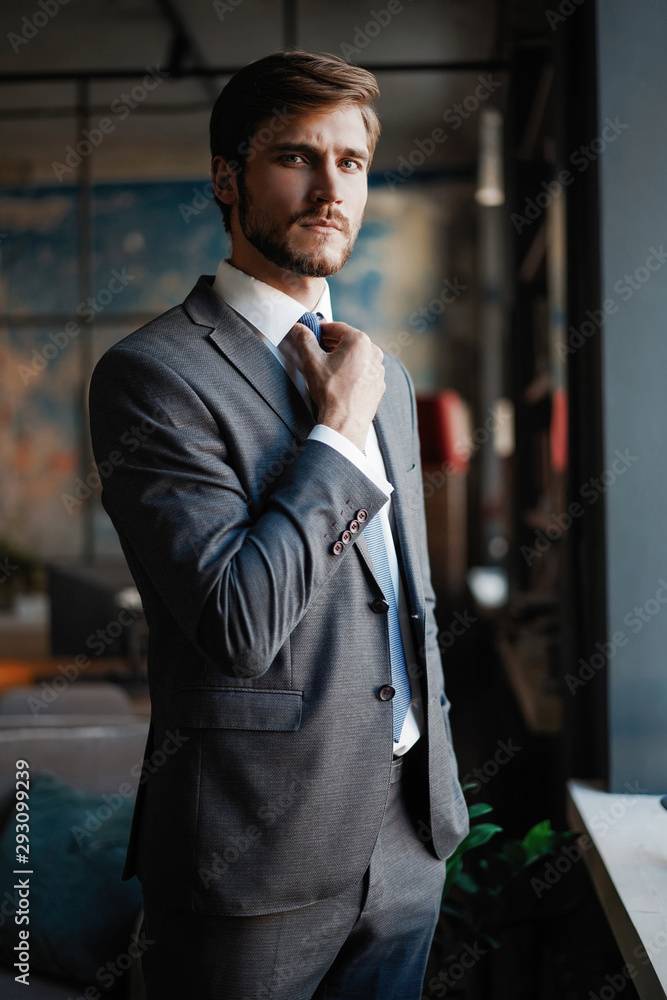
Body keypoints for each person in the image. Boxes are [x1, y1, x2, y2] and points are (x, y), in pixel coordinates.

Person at [88, 48, 468, 1000]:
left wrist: (433, 798)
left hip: (409, 833)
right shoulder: (153, 377)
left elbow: (398, 600)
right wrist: (335, 434)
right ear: (226, 178)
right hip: (253, 858)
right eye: (297, 157)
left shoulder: (385, 377)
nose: (329, 187)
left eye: (351, 162)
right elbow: (237, 625)